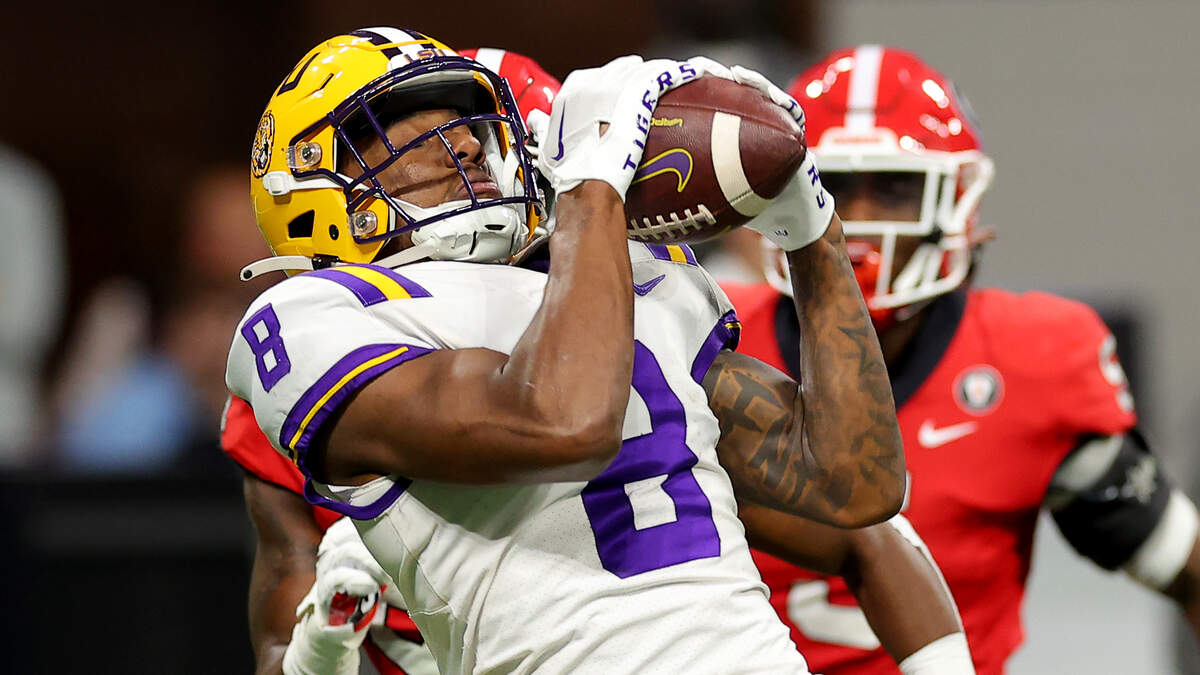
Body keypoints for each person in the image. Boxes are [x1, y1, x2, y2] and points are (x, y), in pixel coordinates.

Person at [224, 27, 946, 673]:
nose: (466, 143)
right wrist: (594, 190)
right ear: (311, 182)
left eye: (462, 119)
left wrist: (812, 233)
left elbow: (855, 488)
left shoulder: (620, 277)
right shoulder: (318, 314)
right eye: (402, 125)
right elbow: (566, 423)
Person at [726, 44, 1200, 675]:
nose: (858, 222)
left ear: (955, 206)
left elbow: (1181, 565)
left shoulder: (1031, 361)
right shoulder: (706, 334)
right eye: (830, 187)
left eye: (895, 189)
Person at [223, 47, 561, 675]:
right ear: (315, 182)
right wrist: (326, 634)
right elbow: (276, 657)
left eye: (472, 128)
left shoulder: (585, 309)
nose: (466, 148)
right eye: (416, 123)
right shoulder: (297, 358)